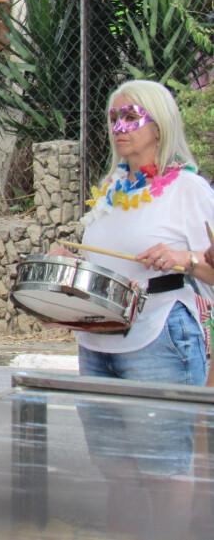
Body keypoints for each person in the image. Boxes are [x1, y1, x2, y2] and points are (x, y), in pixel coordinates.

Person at [74, 79, 214, 537]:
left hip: (159, 336)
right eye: (114, 118)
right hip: (97, 339)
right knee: (117, 471)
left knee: (163, 471)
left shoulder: (189, 189)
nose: (120, 127)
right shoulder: (112, 189)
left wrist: (184, 258)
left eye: (131, 117)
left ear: (160, 125)